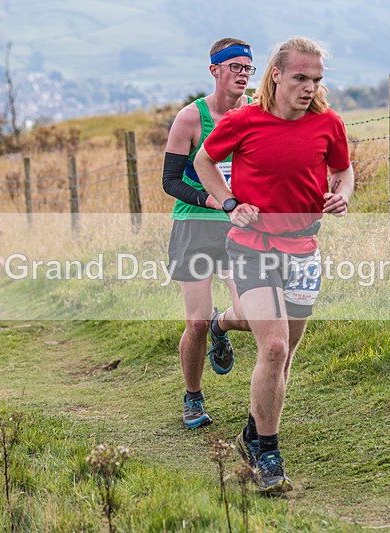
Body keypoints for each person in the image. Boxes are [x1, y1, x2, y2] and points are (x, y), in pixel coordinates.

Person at [194, 36, 354, 493]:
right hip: (252, 247)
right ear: (277, 74)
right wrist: (229, 203)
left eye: (316, 79)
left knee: (284, 357)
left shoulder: (328, 123)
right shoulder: (243, 120)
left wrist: (341, 195)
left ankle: (252, 427)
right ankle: (268, 452)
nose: (309, 87)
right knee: (275, 348)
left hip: (303, 249)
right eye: (301, 77)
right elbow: (204, 160)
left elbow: (343, 171)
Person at [162, 38, 254, 429]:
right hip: (195, 225)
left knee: (250, 315)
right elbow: (170, 181)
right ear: (214, 70)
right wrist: (212, 200)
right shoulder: (191, 118)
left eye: (247, 68)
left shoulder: (257, 113)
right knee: (195, 322)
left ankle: (222, 326)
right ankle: (193, 397)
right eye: (234, 67)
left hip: (241, 228)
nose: (242, 74)